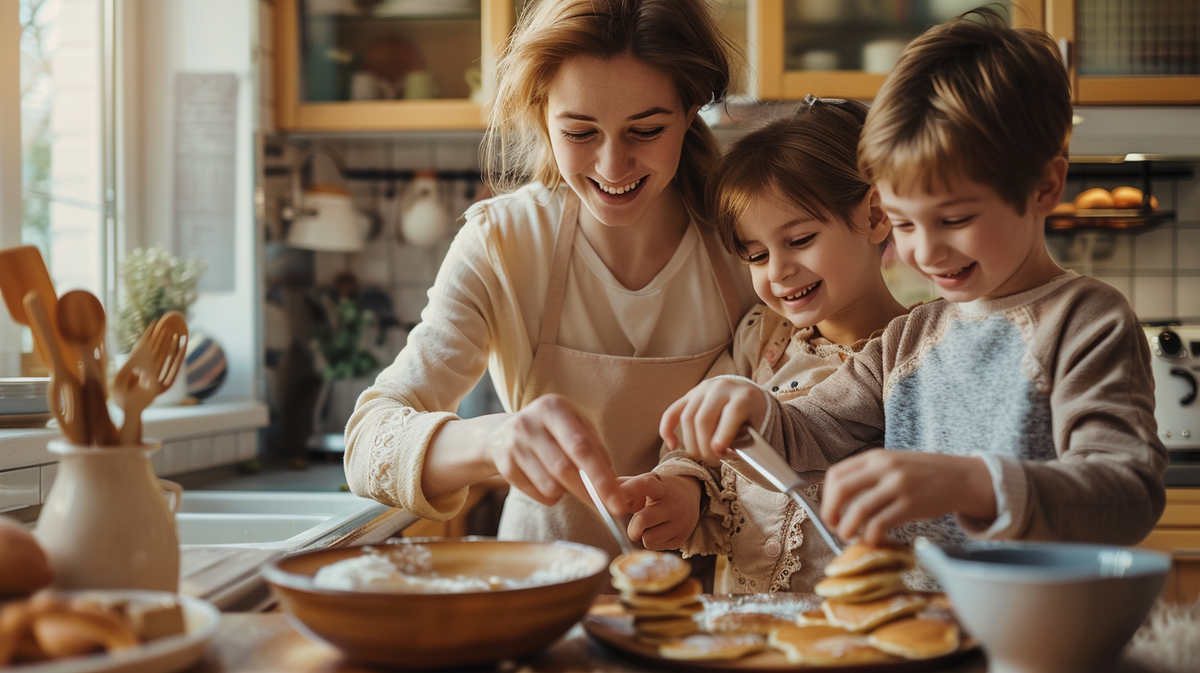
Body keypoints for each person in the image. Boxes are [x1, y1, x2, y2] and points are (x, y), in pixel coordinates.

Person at [658, 9, 1167, 584]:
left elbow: (1128, 493)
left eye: (953, 218)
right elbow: (813, 431)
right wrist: (754, 407)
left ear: (1045, 185)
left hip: (1033, 635)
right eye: (903, 223)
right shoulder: (909, 339)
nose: (926, 252)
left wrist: (969, 482)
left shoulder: (1084, 322)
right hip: (922, 634)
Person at [342, 0, 759, 556]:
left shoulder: (749, 242)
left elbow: (801, 414)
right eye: (581, 132)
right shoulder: (503, 244)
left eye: (646, 130)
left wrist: (697, 490)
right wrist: (492, 440)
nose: (613, 167)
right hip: (546, 593)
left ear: (689, 112)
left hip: (710, 606)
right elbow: (367, 444)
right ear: (542, 117)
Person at [620, 98, 909, 594]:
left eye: (799, 240)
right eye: (755, 255)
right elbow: (706, 445)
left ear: (876, 217)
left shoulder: (915, 349)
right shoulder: (763, 338)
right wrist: (686, 491)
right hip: (746, 618)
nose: (777, 271)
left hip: (856, 625)